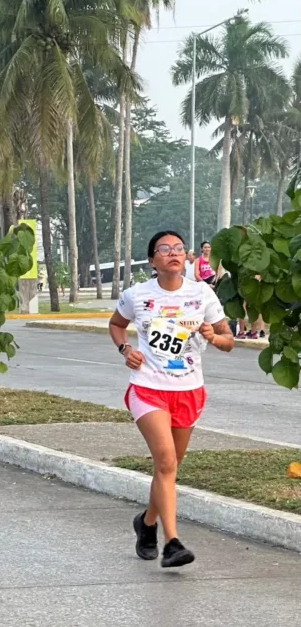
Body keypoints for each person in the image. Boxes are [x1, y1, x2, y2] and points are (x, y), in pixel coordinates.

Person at [109, 230, 234, 569]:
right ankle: (172, 542)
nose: (173, 254)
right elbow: (117, 324)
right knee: (165, 463)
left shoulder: (202, 293)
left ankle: (146, 523)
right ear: (152, 260)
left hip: (189, 389)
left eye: (179, 248)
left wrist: (213, 335)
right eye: (164, 249)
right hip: (147, 387)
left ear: (186, 256)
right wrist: (126, 349)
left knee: (169, 468)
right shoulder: (137, 295)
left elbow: (228, 339)